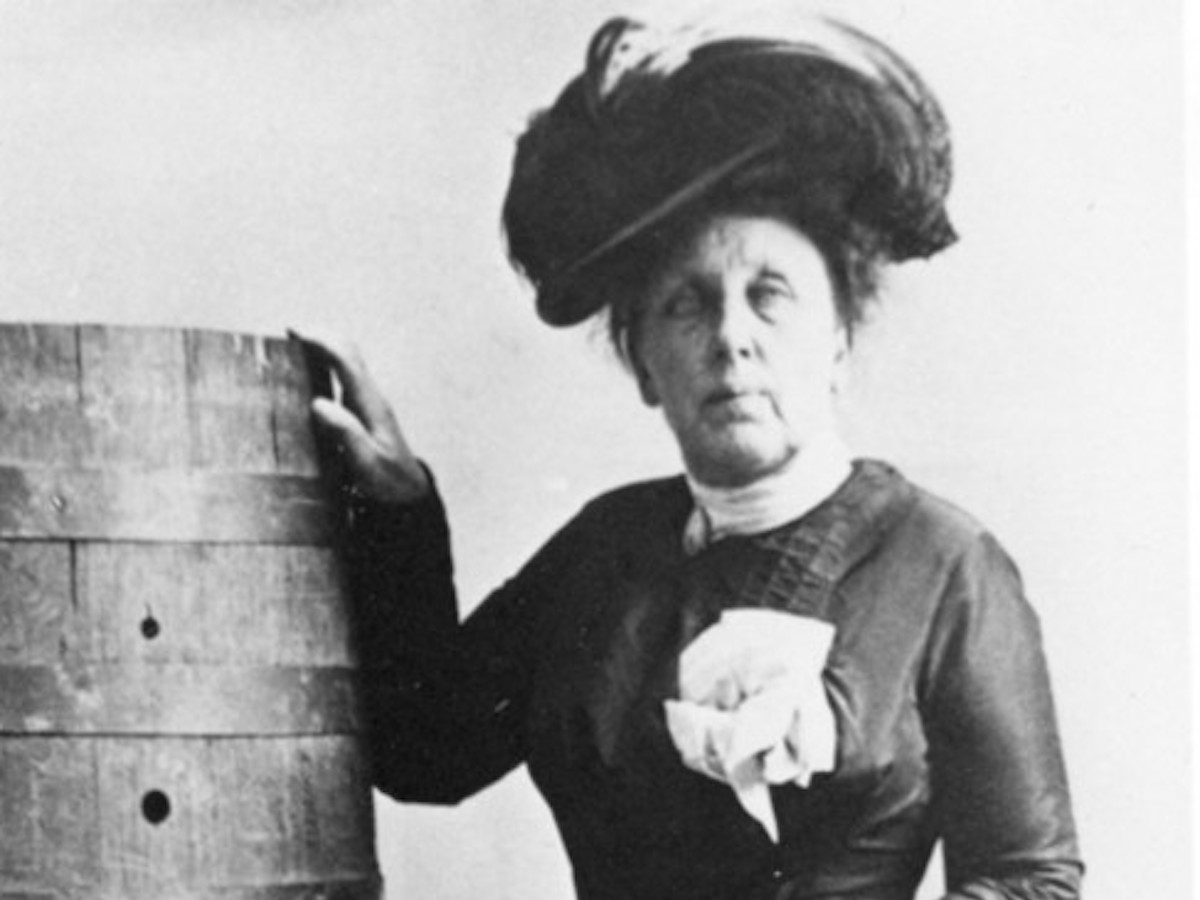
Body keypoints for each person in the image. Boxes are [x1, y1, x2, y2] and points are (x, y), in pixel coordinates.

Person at [297, 10, 1083, 900]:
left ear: (838, 342)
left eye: (771, 295)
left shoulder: (943, 564)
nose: (731, 339)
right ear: (644, 366)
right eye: (687, 305)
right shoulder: (604, 550)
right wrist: (394, 511)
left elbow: (1031, 881)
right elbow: (424, 754)